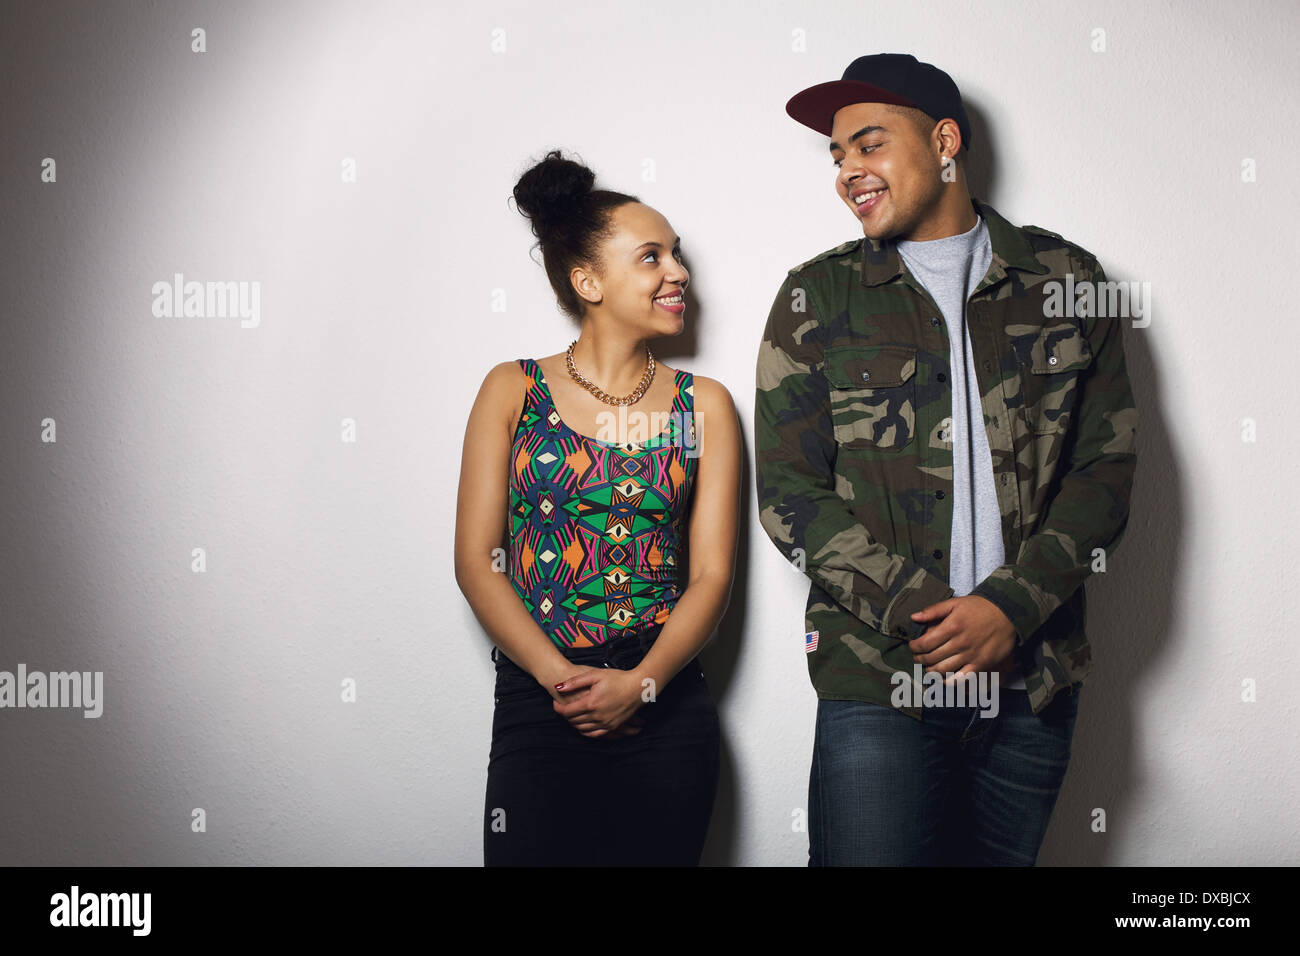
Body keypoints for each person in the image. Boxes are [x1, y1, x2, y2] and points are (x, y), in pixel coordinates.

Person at [754, 53, 1138, 865]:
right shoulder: (815, 297)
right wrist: (919, 612)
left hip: (1033, 686)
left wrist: (1010, 607)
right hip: (879, 679)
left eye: (868, 144)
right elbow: (788, 491)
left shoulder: (1069, 281)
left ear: (946, 141)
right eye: (836, 156)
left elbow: (1105, 474)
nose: (847, 172)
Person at [455, 149, 741, 866]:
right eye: (652, 258)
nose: (678, 273)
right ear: (589, 281)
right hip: (541, 700)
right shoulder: (512, 390)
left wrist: (640, 685)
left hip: (667, 701)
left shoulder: (700, 406)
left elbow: (711, 577)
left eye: (676, 256)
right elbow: (477, 563)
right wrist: (567, 686)